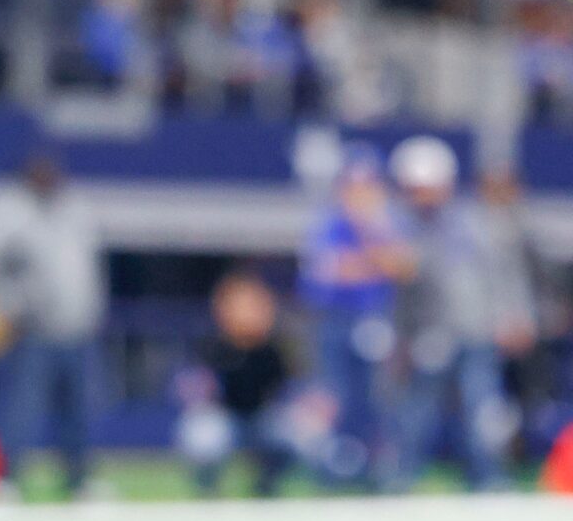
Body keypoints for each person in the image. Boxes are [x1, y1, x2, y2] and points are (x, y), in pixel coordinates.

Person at [0, 153, 106, 495]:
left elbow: (87, 269)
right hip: (33, 331)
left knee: (78, 411)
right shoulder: (9, 214)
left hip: (76, 329)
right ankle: (6, 480)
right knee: (23, 410)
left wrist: (92, 312)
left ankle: (79, 481)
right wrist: (13, 307)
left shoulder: (75, 210)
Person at [385, 135, 508, 490]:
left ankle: (487, 477)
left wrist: (506, 316)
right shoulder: (399, 224)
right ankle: (402, 476)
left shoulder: (471, 223)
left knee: (482, 408)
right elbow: (404, 290)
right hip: (428, 332)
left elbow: (495, 276)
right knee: (417, 409)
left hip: (474, 330)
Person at [298, 148, 412, 487]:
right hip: (334, 320)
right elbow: (328, 273)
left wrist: (369, 242)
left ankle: (381, 475)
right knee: (334, 399)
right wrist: (374, 260)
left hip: (378, 318)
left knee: (381, 400)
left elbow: (403, 267)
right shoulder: (328, 224)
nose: (361, 196)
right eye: (353, 187)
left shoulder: (389, 222)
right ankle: (333, 473)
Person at [176, 267, 298, 496]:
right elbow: (192, 387)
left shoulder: (272, 348)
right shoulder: (212, 345)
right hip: (223, 417)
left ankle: (266, 484)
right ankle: (207, 487)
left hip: (260, 418)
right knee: (204, 434)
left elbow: (289, 389)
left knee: (296, 432)